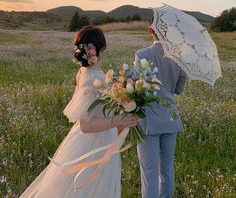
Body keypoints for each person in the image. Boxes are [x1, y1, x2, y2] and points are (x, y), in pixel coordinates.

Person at [20, 25, 139, 198]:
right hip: (92, 144)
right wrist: (119, 121)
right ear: (102, 49)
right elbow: (85, 125)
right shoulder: (92, 78)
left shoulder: (86, 72)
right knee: (88, 187)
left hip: (101, 137)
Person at [134, 27, 186, 198]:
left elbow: (137, 89)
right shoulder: (178, 58)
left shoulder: (142, 54)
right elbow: (178, 90)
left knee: (149, 172)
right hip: (171, 119)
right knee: (167, 169)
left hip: (149, 121)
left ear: (151, 30)